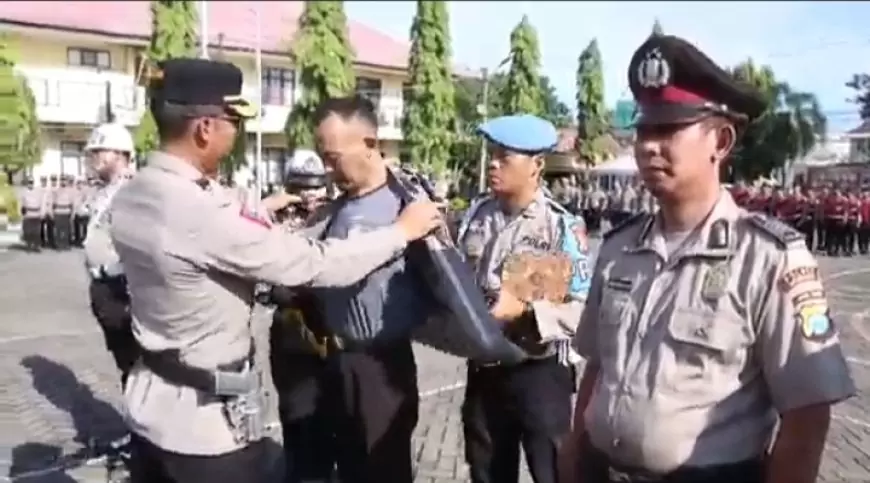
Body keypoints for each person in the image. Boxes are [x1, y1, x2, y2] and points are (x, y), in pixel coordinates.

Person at [110, 59, 442, 483]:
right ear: (205, 128)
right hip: (202, 431)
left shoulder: (136, 192)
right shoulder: (198, 211)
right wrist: (401, 232)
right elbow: (313, 263)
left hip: (152, 405)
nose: (236, 134)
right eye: (234, 123)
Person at [559, 35, 855, 483]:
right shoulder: (619, 249)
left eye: (667, 129)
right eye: (644, 130)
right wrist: (573, 452)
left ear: (720, 140)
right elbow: (599, 368)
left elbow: (807, 414)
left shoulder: (768, 258)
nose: (648, 146)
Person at [271, 96, 438, 483]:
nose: (327, 169)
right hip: (327, 363)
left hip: (378, 369)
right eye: (323, 158)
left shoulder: (408, 206)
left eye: (333, 158)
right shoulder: (333, 209)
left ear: (369, 143)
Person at [456, 114, 589, 483]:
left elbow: (580, 309)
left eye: (505, 157)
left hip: (538, 371)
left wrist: (528, 312)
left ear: (536, 166)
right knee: (487, 472)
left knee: (551, 472)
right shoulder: (478, 216)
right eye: (492, 154)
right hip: (485, 369)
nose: (493, 164)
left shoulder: (559, 226)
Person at [82, 122, 138, 388]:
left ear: (118, 153)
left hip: (123, 287)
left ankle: (142, 415)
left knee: (137, 366)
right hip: (105, 286)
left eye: (99, 152)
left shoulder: (132, 190)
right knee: (125, 362)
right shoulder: (106, 191)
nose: (93, 158)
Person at [18, 178, 46, 251]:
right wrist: (21, 213)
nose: (30, 184)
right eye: (29, 182)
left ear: (33, 183)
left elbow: (42, 203)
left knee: (36, 231)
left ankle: (36, 246)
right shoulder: (24, 192)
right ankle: (29, 245)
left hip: (36, 214)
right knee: (28, 231)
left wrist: (42, 213)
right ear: (27, 183)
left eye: (31, 182)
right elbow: (21, 203)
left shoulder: (38, 192)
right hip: (28, 214)